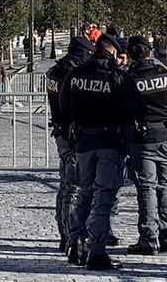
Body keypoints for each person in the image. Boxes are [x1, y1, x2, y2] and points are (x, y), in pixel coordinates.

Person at [60, 34, 132, 270]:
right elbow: (135, 109)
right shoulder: (117, 77)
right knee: (103, 198)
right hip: (109, 142)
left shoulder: (76, 74)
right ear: (112, 52)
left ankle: (74, 241)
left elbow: (63, 106)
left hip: (83, 142)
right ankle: (97, 252)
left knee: (83, 193)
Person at [122, 35, 167, 256]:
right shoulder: (166, 74)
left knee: (147, 189)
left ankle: (149, 238)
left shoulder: (131, 78)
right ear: (148, 52)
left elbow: (125, 110)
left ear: (130, 54)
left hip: (143, 138)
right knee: (166, 187)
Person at [46, 36, 94, 253]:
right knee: (75, 187)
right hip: (73, 135)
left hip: (60, 133)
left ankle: (64, 232)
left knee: (66, 185)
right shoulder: (72, 73)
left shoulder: (54, 71)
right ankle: (71, 235)